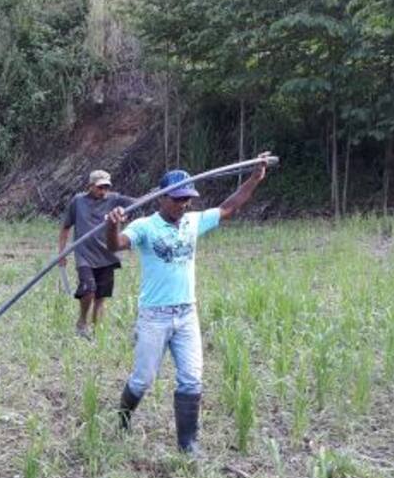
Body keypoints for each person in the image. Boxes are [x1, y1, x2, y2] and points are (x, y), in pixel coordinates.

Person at [105, 154, 271, 453]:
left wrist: (254, 179)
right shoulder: (144, 227)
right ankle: (123, 420)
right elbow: (115, 245)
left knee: (192, 380)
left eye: (187, 199)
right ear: (162, 198)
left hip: (186, 314)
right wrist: (112, 225)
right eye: (178, 199)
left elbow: (229, 207)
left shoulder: (193, 222)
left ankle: (188, 445)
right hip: (154, 316)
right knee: (142, 380)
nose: (184, 204)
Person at [58, 169, 135, 339]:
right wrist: (61, 254)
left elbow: (138, 203)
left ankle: (96, 333)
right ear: (90, 186)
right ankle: (82, 322)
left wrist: (161, 194)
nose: (103, 191)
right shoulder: (78, 201)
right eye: (100, 187)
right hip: (84, 255)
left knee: (101, 297)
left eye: (106, 187)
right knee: (88, 289)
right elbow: (65, 228)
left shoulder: (114, 199)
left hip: (107, 255)